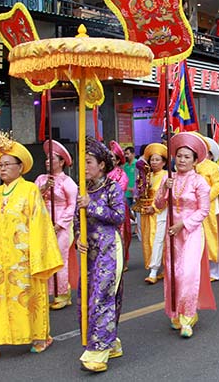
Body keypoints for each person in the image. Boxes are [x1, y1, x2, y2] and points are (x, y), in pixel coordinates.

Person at [0, 132, 62, 362]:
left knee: (27, 301)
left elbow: (40, 224)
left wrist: (39, 258)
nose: (2, 168)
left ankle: (40, 336)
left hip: (24, 259)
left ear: (20, 167)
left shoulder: (30, 190)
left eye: (7, 164)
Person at [154, 133, 215, 338]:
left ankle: (188, 317)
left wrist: (184, 224)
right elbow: (158, 205)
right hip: (172, 233)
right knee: (172, 273)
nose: (182, 160)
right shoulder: (167, 178)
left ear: (195, 160)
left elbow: (203, 210)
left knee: (187, 274)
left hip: (191, 232)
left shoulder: (200, 182)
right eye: (179, 156)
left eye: (187, 157)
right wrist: (163, 189)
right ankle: (175, 313)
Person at [76, 139, 126, 373]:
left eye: (89, 162)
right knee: (87, 296)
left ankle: (98, 351)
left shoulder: (112, 188)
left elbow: (119, 216)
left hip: (108, 249)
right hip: (90, 251)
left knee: (102, 296)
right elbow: (78, 219)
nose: (84, 167)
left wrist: (92, 206)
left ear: (102, 165)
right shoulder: (82, 189)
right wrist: (78, 237)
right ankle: (110, 341)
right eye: (82, 162)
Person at [34, 139, 78, 310]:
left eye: (51, 159)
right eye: (46, 158)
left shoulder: (68, 182)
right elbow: (33, 199)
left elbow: (71, 205)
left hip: (62, 224)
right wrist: (44, 189)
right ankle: (46, 291)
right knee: (44, 257)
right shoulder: (40, 179)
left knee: (60, 258)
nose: (47, 162)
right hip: (43, 221)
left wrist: (59, 225)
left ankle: (63, 293)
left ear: (61, 162)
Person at [137, 143, 168, 284]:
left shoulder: (166, 176)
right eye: (152, 160)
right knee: (147, 241)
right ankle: (158, 268)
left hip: (160, 213)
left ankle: (154, 271)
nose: (154, 162)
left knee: (158, 240)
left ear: (164, 162)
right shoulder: (147, 176)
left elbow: (166, 196)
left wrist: (154, 208)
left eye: (157, 160)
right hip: (147, 213)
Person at [195, 135, 219, 281]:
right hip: (192, 207)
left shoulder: (212, 166)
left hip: (210, 206)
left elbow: (218, 185)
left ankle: (214, 271)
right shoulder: (191, 165)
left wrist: (205, 198)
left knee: (211, 235)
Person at [107, 141, 131, 267]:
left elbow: (119, 191)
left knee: (122, 235)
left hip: (118, 209)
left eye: (111, 157)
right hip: (105, 209)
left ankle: (122, 261)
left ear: (117, 161)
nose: (109, 159)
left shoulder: (122, 175)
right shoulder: (103, 173)